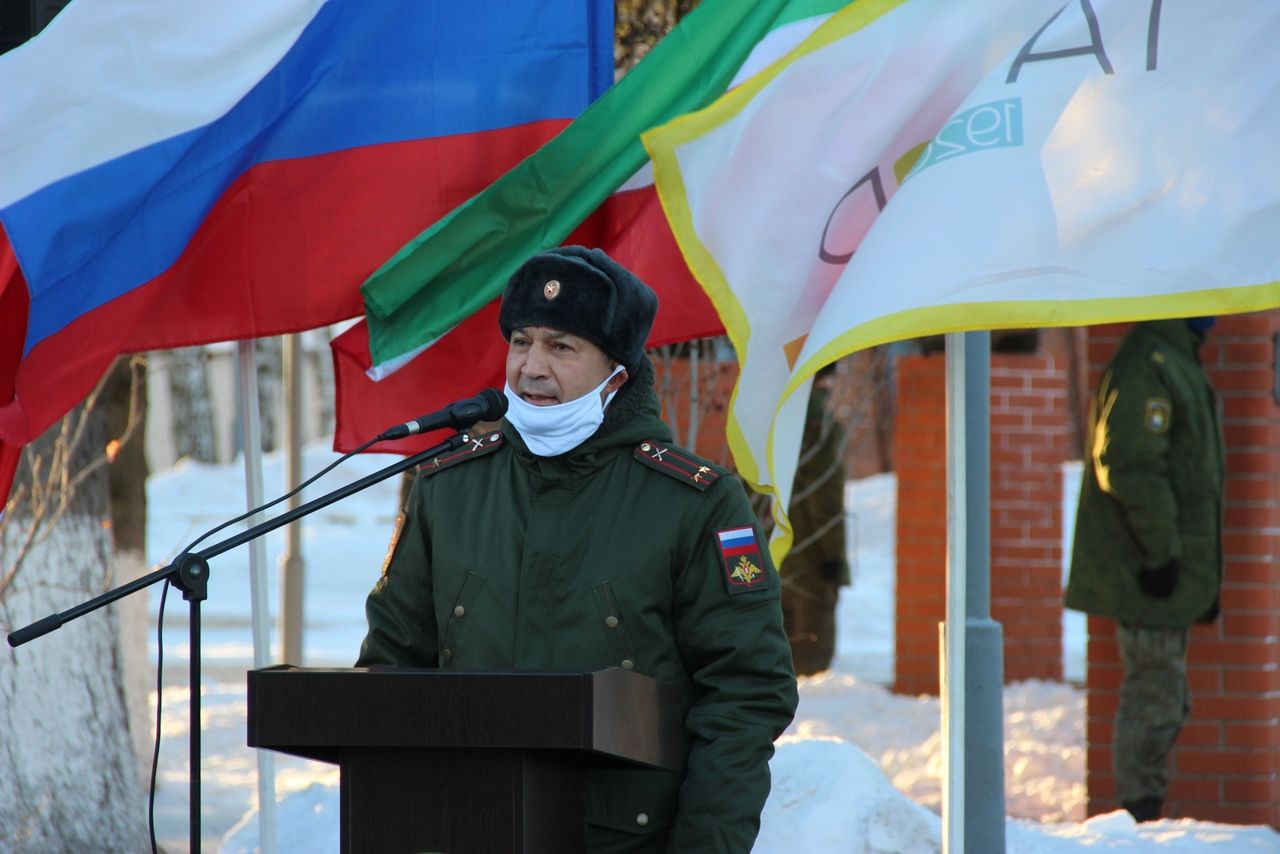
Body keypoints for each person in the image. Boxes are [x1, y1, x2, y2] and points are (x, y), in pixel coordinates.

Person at [357, 246, 798, 852]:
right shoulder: (447, 485)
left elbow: (746, 694)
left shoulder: (696, 503)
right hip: (468, 828)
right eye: (520, 341)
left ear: (616, 374)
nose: (531, 368)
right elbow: (389, 670)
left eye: (561, 347)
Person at [1064, 317, 1224, 823]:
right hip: (1147, 572)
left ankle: (1143, 816)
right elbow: (1129, 463)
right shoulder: (1150, 361)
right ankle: (1138, 820)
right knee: (1154, 699)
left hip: (1164, 570)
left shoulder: (1173, 357)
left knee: (1165, 697)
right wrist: (1162, 553)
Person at [779, 363, 850, 675]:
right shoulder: (820, 427)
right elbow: (826, 499)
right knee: (810, 665)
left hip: (765, 552)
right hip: (809, 559)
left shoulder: (767, 417)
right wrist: (833, 558)